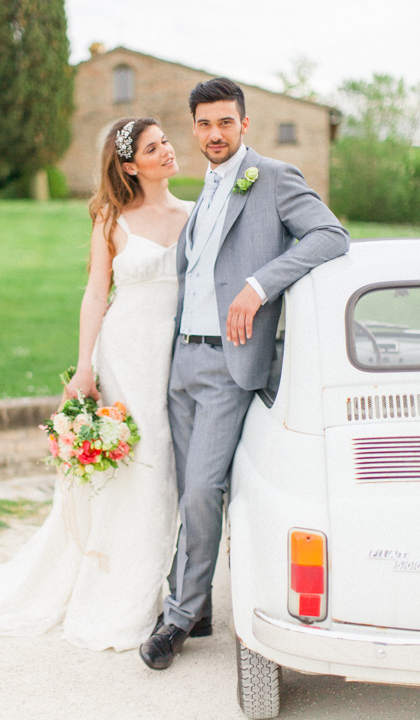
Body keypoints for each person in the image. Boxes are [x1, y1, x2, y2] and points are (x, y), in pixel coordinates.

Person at [0, 117, 192, 652]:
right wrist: (83, 367)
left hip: (177, 359)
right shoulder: (111, 219)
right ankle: (122, 597)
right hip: (125, 355)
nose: (167, 150)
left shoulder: (195, 214)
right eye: (152, 146)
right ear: (128, 165)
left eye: (166, 140)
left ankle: (169, 591)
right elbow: (96, 294)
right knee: (135, 468)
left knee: (166, 465)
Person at [139, 77, 350, 670]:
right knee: (188, 489)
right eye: (203, 124)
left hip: (232, 362)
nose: (214, 134)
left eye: (225, 123)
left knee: (206, 488)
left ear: (244, 124)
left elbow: (331, 235)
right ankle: (198, 604)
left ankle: (179, 617)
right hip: (183, 360)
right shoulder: (203, 187)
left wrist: (259, 288)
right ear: (195, 128)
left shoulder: (274, 177)